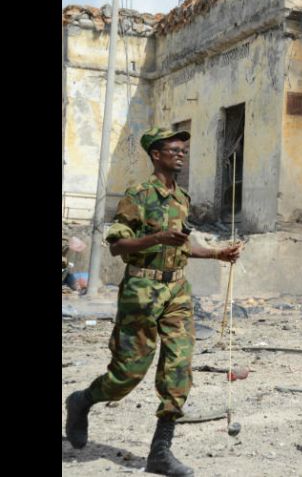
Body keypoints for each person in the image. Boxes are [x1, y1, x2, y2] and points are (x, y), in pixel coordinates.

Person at [65, 128, 242, 477]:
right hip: (141, 293)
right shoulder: (139, 195)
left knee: (179, 367)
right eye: (174, 150)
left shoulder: (182, 198)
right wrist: (156, 237)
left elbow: (183, 243)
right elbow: (118, 246)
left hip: (176, 291)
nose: (181, 154)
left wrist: (216, 253)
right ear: (156, 155)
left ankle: (160, 452)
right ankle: (81, 401)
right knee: (126, 376)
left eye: (184, 150)